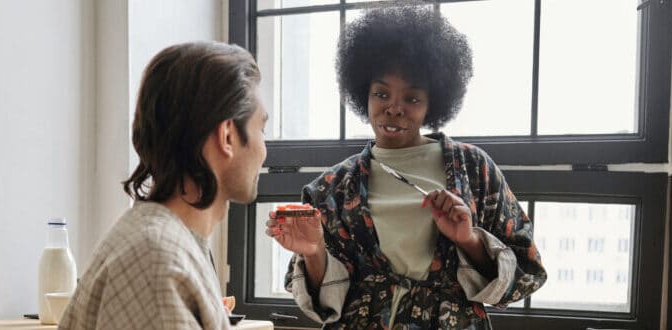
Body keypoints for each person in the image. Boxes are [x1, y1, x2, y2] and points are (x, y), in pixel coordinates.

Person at [266, 6, 546, 329]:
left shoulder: (475, 170)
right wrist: (314, 251)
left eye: (412, 99)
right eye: (381, 93)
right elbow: (324, 301)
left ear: (433, 103)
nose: (394, 109)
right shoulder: (332, 188)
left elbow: (527, 272)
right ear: (364, 95)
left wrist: (468, 239)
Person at [60, 41, 267, 329]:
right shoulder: (157, 262)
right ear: (228, 136)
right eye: (262, 128)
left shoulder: (164, 245)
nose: (263, 149)